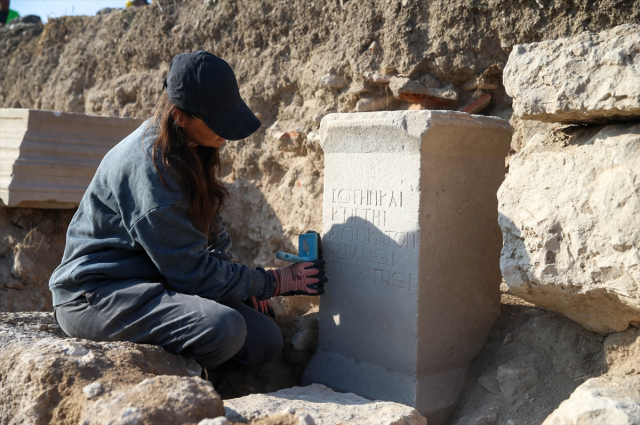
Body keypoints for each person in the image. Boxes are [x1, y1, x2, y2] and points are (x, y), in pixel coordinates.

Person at [49, 51, 327, 375]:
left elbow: (208, 227)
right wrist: (272, 282)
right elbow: (193, 273)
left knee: (263, 339)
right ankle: (179, 387)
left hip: (157, 279)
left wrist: (241, 284)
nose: (226, 133)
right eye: (219, 123)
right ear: (181, 116)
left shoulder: (190, 143)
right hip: (99, 294)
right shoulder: (152, 170)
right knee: (226, 327)